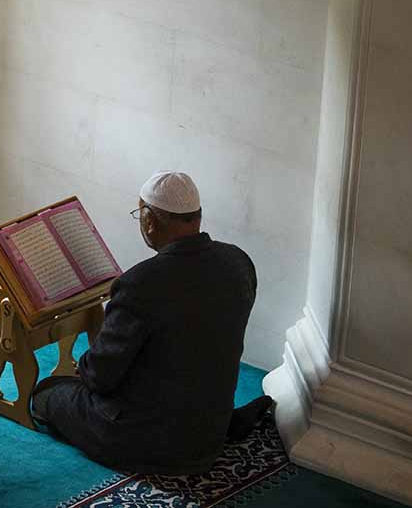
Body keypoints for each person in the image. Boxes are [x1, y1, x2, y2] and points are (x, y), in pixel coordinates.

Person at [31, 171, 272, 475]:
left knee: (48, 393)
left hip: (146, 442)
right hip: (207, 431)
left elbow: (100, 378)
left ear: (148, 219)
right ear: (196, 217)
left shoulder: (140, 284)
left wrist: (84, 366)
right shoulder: (238, 262)